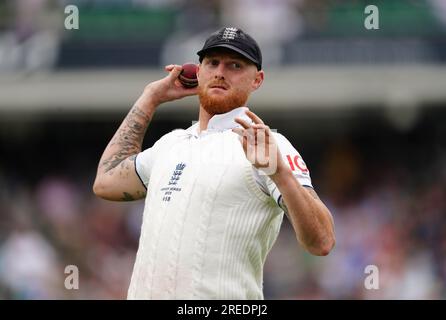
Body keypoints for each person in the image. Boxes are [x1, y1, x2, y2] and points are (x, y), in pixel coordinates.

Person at [93, 27, 335, 300]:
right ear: (197, 72)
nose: (220, 72)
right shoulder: (170, 145)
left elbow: (322, 242)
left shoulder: (268, 145)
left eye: (235, 65)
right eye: (212, 63)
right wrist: (150, 98)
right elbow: (106, 181)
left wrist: (280, 173)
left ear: (257, 80)